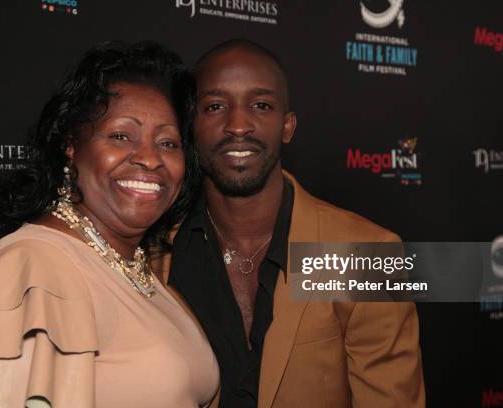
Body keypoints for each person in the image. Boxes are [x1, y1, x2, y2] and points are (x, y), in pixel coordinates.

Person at [0, 41, 219, 408]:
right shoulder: (31, 265)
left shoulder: (133, 265)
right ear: (71, 146)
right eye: (120, 136)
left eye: (168, 142)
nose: (149, 158)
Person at [153, 39, 425, 407]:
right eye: (215, 106)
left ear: (287, 126)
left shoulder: (364, 254)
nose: (237, 125)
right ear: (191, 127)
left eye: (261, 105)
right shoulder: (154, 254)